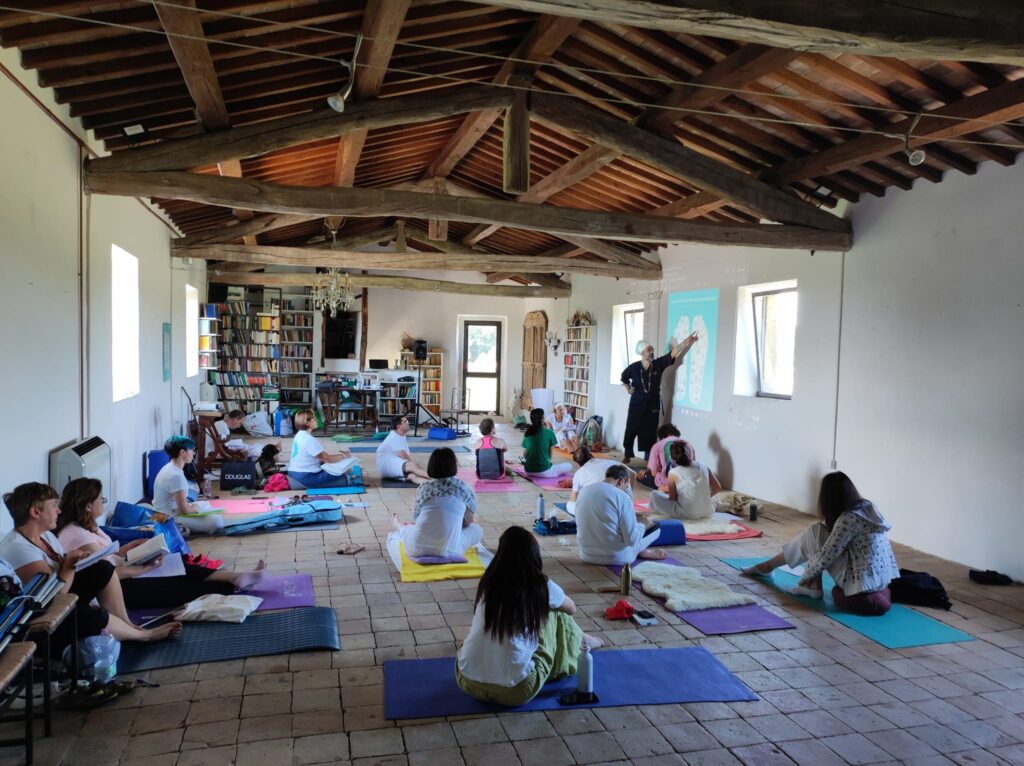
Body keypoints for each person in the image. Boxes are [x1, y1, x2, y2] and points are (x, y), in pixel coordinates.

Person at [0, 482, 181, 645]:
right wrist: (71, 562)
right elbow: (55, 596)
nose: (58, 510)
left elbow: (63, 571)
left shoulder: (45, 535)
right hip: (42, 614)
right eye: (53, 506)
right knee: (95, 616)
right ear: (35, 512)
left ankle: (128, 625)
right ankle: (144, 636)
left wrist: (77, 560)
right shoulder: (18, 548)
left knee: (102, 568)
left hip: (62, 591)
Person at [55, 478, 265, 610]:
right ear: (88, 505)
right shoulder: (77, 536)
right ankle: (231, 584)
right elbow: (103, 574)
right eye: (101, 499)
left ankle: (235, 577)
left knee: (178, 561)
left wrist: (127, 550)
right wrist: (141, 569)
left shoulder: (89, 526)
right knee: (179, 586)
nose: (104, 502)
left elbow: (108, 557)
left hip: (123, 573)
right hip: (117, 589)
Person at [456, 526, 603, 706]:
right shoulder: (540, 585)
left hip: (466, 681)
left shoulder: (488, 583)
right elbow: (571, 608)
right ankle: (584, 643)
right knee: (555, 614)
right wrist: (548, 601)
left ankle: (584, 640)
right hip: (516, 691)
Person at [741, 472, 900, 616]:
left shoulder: (848, 518)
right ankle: (768, 567)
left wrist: (805, 577)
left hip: (861, 586)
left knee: (815, 533)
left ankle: (802, 583)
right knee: (815, 534)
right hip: (880, 582)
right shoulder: (867, 507)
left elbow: (826, 557)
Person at [390, 448, 483, 559]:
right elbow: (468, 522)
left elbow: (417, 518)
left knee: (410, 530)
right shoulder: (463, 488)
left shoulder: (423, 488)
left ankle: (397, 525)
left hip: (416, 548)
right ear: (454, 465)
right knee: (477, 530)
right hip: (450, 551)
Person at [620, 334, 699, 463]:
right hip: (636, 404)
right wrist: (628, 388)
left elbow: (672, 354)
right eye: (648, 350)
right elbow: (624, 377)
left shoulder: (657, 365)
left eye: (652, 350)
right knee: (631, 429)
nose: (651, 352)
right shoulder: (633, 368)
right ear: (642, 352)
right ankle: (627, 454)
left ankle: (648, 458)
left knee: (650, 432)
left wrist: (686, 343)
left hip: (652, 406)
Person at [575, 464, 666, 565]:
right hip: (616, 558)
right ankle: (643, 552)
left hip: (586, 555)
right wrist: (643, 524)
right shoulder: (621, 496)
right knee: (656, 529)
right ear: (621, 481)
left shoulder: (584, 491)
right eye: (626, 486)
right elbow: (631, 540)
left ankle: (640, 550)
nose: (625, 490)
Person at [153, 436, 225, 534]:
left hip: (167, 510)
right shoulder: (175, 475)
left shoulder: (170, 467)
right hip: (169, 516)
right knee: (217, 521)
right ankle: (179, 527)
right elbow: (184, 509)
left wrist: (195, 506)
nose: (193, 453)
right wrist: (195, 508)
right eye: (191, 450)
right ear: (182, 452)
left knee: (205, 504)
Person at [648, 440, 721, 520]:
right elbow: (717, 487)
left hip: (687, 513)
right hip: (708, 512)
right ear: (689, 453)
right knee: (713, 498)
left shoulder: (673, 473)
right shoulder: (703, 465)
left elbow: (673, 499)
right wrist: (705, 497)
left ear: (672, 458)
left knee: (654, 494)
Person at [288, 408, 358, 489]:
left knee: (334, 467)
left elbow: (320, 458)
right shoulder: (309, 439)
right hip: (306, 476)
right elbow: (328, 458)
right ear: (306, 422)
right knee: (345, 470)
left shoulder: (299, 435)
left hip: (294, 472)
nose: (316, 419)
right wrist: (343, 456)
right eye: (314, 418)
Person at [565, 445, 632, 515]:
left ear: (578, 463)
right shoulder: (611, 462)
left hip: (603, 510)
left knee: (570, 504)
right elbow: (632, 474)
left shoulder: (579, 473)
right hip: (624, 505)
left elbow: (574, 499)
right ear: (591, 455)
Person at [376, 415, 430, 485]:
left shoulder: (401, 435)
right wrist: (416, 468)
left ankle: (432, 484)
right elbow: (404, 456)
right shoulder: (394, 437)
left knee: (412, 476)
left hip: (389, 468)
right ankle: (435, 479)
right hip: (386, 467)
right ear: (399, 426)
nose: (408, 423)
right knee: (413, 466)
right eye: (405, 421)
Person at [206, 409, 280, 460]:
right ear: (235, 420)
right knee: (247, 449)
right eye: (240, 423)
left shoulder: (220, 423)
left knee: (246, 446)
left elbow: (223, 445)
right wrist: (238, 449)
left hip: (212, 450)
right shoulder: (223, 427)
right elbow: (224, 449)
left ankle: (270, 449)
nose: (239, 426)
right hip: (211, 453)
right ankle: (271, 451)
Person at [521, 408, 572, 477]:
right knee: (569, 466)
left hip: (528, 471)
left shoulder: (527, 433)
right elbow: (550, 456)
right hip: (544, 472)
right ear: (542, 419)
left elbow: (525, 455)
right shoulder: (549, 432)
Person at [641, 424, 694, 489]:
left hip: (664, 484)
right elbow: (693, 467)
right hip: (686, 484)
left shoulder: (657, 446)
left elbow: (653, 473)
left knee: (641, 474)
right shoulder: (689, 445)